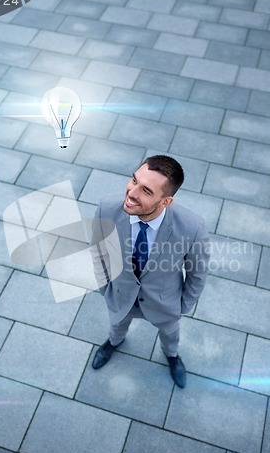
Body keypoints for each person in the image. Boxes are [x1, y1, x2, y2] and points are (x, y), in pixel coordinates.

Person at [90, 155, 210, 388]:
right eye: (134, 180)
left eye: (146, 190)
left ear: (165, 202)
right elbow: (98, 250)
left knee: (170, 334)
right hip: (121, 295)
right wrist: (105, 288)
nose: (131, 193)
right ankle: (114, 342)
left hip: (165, 302)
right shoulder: (107, 208)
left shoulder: (192, 227)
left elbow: (197, 273)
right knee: (117, 325)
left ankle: (172, 356)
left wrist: (183, 306)